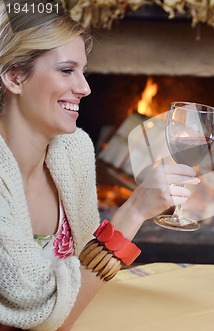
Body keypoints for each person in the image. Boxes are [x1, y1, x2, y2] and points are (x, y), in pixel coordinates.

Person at [0, 8, 199, 330]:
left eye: (83, 72)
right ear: (14, 77)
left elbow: (82, 275)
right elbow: (46, 320)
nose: (84, 88)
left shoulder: (73, 150)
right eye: (66, 71)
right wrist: (133, 210)